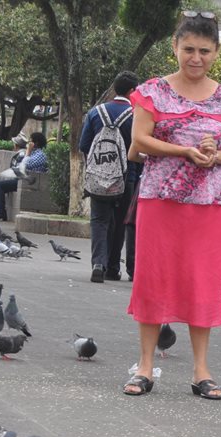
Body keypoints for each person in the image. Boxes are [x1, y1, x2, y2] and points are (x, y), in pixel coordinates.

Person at [123, 11, 221, 399]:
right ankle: (145, 366)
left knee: (203, 281)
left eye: (205, 51)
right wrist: (184, 150)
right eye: (189, 49)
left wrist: (214, 155)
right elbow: (139, 141)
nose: (196, 58)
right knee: (152, 276)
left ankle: (201, 370)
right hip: (159, 199)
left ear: (216, 52)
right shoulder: (151, 92)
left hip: (210, 203)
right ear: (174, 47)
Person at [80, 71, 140, 282]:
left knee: (99, 220)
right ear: (133, 91)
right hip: (127, 178)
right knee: (121, 221)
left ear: (115, 88)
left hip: (98, 178)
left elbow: (84, 145)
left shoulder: (96, 113)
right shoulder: (136, 115)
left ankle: (98, 263)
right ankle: (113, 268)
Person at [0, 131, 47, 221]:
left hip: (28, 182)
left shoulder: (40, 155)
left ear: (36, 143)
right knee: (0, 184)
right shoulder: (32, 153)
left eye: (30, 141)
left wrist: (28, 152)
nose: (28, 143)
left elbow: (26, 165)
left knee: (0, 185)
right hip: (21, 179)